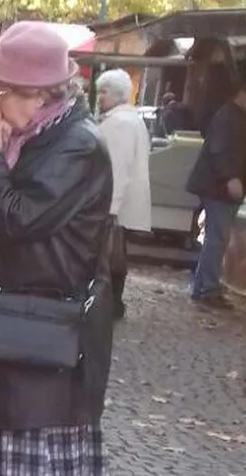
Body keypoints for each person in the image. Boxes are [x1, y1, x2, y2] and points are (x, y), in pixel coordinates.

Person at [0, 21, 114, 476]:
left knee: (28, 449)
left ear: (37, 94)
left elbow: (17, 218)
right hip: (8, 321)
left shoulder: (77, 146)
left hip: (41, 332)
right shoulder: (29, 137)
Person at [185, 73, 246, 309]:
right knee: (216, 239)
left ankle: (202, 286)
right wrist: (232, 178)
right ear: (244, 92)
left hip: (221, 188)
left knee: (216, 238)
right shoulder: (229, 116)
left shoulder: (236, 116)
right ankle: (207, 288)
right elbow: (221, 150)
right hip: (219, 189)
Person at [96, 68, 153, 319]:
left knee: (110, 256)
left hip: (114, 203)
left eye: (103, 91)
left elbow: (117, 168)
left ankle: (110, 303)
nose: (99, 97)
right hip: (121, 202)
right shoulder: (130, 119)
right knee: (115, 255)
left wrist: (111, 207)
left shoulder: (119, 123)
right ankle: (112, 302)